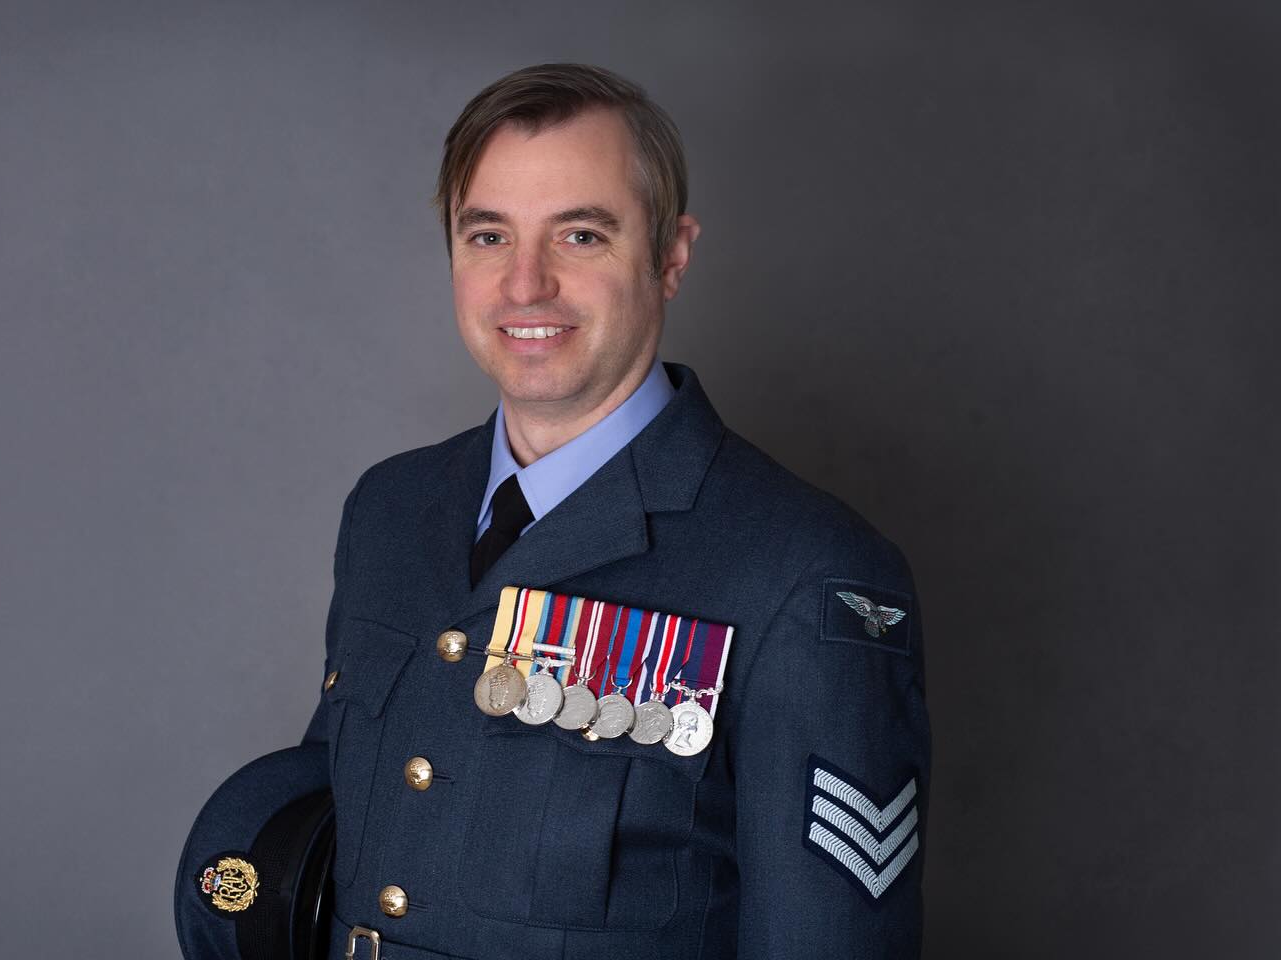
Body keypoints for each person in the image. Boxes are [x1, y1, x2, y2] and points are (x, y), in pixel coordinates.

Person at [177, 62, 930, 960]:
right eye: (488, 236)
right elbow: (336, 836)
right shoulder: (389, 509)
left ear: (671, 257)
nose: (524, 285)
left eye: (579, 235)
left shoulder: (807, 574)